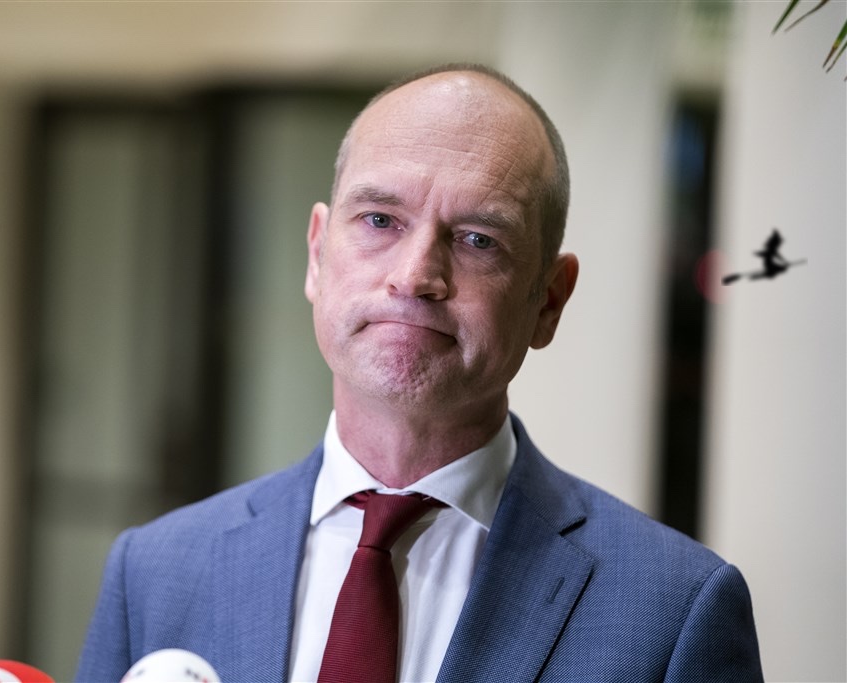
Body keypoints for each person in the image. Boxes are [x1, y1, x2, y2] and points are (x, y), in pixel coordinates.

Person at [76, 64, 763, 682]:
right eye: (380, 219)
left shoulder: (675, 612)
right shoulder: (157, 573)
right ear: (316, 255)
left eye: (478, 240)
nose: (415, 276)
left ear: (549, 300)